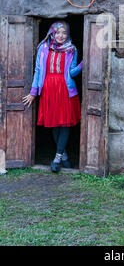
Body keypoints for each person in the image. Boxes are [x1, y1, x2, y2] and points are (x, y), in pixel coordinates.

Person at [22, 21, 82, 173]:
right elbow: (37, 70)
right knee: (54, 124)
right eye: (58, 33)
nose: (61, 36)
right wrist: (33, 92)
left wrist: (83, 64)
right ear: (52, 33)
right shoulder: (43, 48)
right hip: (49, 89)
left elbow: (72, 73)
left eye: (64, 33)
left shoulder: (71, 49)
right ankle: (64, 155)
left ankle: (57, 157)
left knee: (65, 124)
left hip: (65, 89)